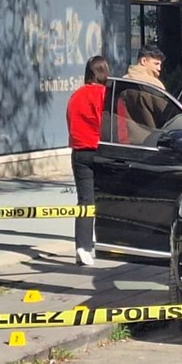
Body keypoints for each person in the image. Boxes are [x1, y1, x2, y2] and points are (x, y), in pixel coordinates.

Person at [66, 56, 110, 266]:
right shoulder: (104, 94)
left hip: (79, 151)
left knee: (85, 201)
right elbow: (108, 123)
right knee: (107, 198)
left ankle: (82, 247)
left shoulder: (76, 96)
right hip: (100, 150)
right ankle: (106, 240)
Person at [118, 45, 168, 144]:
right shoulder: (152, 87)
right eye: (156, 64)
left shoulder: (123, 81)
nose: (159, 69)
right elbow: (167, 114)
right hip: (150, 142)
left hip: (123, 140)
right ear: (143, 61)